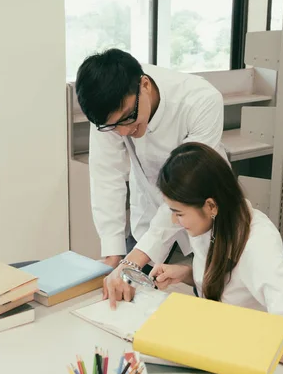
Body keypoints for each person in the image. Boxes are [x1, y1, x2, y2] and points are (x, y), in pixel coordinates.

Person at [150, 142, 283, 374]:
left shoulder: (256, 244)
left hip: (252, 361)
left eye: (179, 213)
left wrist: (233, 333)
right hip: (219, 347)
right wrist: (187, 274)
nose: (174, 222)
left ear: (210, 205)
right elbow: (232, 282)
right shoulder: (217, 223)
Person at [76, 48, 227, 305]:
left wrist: (133, 260)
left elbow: (185, 188)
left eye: (128, 119)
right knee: (136, 305)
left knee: (206, 299)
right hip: (148, 215)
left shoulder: (201, 101)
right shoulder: (105, 106)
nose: (124, 131)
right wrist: (113, 253)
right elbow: (107, 175)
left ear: (144, 85)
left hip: (202, 215)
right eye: (114, 127)